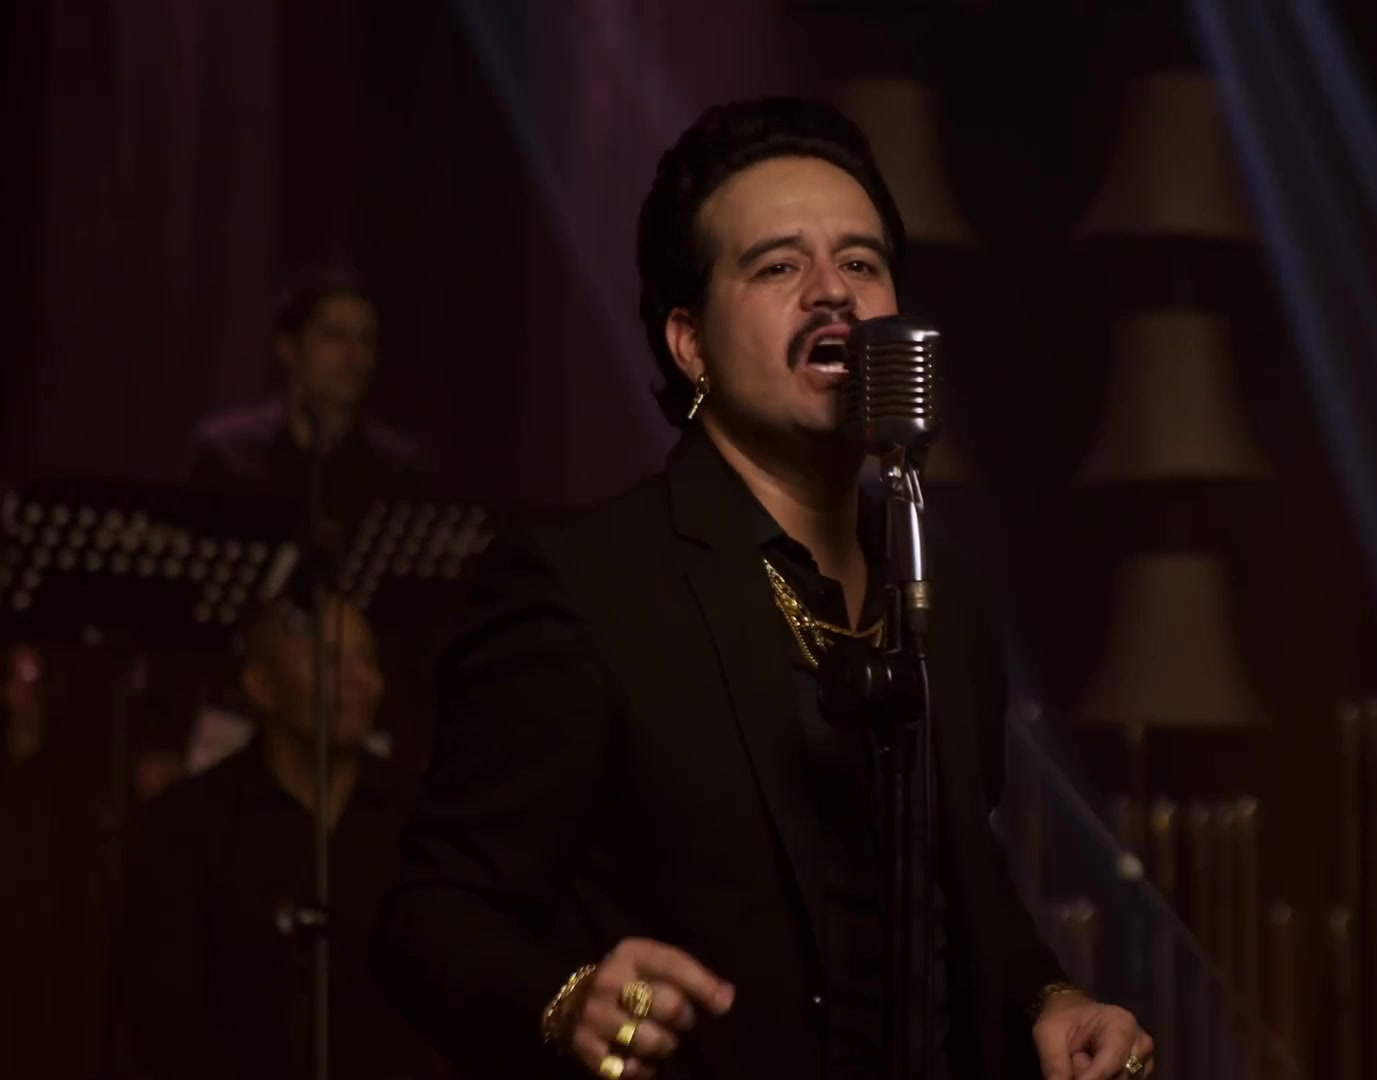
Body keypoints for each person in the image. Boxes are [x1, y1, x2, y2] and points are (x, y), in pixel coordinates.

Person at [373, 98, 1152, 1080]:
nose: (833, 293)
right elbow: (431, 916)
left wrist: (1050, 999)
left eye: (861, 263)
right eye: (779, 267)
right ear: (689, 342)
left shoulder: (936, 589)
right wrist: (567, 999)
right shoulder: (587, 587)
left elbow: (954, 880)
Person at [111, 591, 444, 1080]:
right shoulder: (191, 822)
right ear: (262, 685)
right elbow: (160, 1017)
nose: (362, 682)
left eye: (367, 660)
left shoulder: (418, 815)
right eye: (329, 661)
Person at [186, 267, 432, 532]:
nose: (355, 356)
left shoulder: (397, 467)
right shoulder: (230, 453)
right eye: (334, 336)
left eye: (367, 340)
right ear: (289, 348)